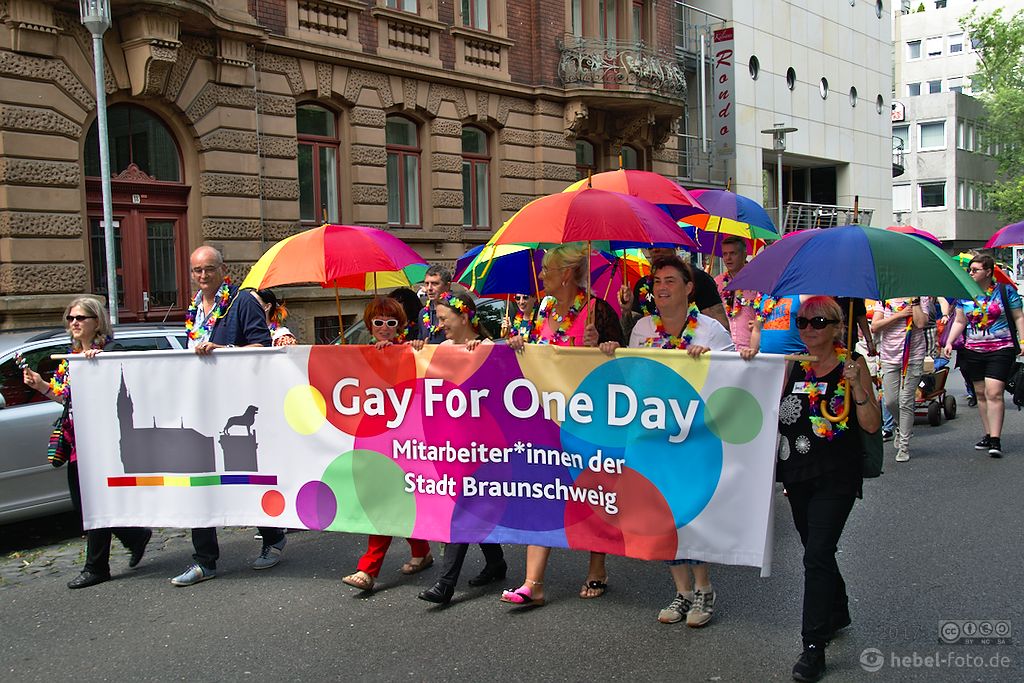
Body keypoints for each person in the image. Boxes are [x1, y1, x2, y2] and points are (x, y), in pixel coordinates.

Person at [600, 254, 747, 628]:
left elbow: (734, 379)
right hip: (652, 437)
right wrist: (607, 351)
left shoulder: (711, 331)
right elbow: (631, 380)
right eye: (656, 282)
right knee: (661, 515)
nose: (661, 288)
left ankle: (704, 588)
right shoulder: (642, 329)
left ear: (688, 288)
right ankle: (681, 591)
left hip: (694, 436)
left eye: (669, 280)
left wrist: (708, 360)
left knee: (688, 512)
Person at [501, 244, 624, 606]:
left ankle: (597, 569)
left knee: (592, 492)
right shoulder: (544, 309)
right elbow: (540, 357)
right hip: (546, 418)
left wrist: (601, 345)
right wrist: (521, 344)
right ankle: (532, 582)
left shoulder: (598, 310)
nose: (542, 278)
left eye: (548, 272)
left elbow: (622, 364)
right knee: (543, 493)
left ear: (567, 273)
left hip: (589, 420)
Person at [777, 296, 880, 682]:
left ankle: (813, 646)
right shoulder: (793, 366)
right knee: (815, 550)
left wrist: (860, 387)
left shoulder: (853, 366)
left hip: (837, 474)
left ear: (838, 326)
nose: (809, 328)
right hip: (797, 473)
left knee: (817, 552)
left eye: (819, 321)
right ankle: (837, 610)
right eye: (803, 321)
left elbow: (870, 425)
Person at [171, 246, 286, 587]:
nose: (202, 276)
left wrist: (225, 351)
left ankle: (272, 535)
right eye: (196, 271)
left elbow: (261, 346)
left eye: (208, 269)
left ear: (223, 269)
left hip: (236, 401)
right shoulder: (195, 307)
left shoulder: (242, 302)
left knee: (244, 476)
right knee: (199, 478)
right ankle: (204, 560)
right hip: (202, 404)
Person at [22, 297, 151, 589]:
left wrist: (100, 364)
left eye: (80, 317)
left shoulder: (110, 351)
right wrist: (41, 385)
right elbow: (65, 397)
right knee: (83, 505)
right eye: (70, 318)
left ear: (97, 321)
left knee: (94, 503)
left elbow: (127, 386)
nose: (74, 323)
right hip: (76, 440)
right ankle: (134, 536)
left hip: (104, 441)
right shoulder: (71, 357)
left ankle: (96, 566)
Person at [414, 293, 506, 604]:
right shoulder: (439, 348)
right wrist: (414, 351)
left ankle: (445, 583)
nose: (438, 325)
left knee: (463, 508)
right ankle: (496, 563)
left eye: (444, 319)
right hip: (454, 446)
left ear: (464, 317)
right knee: (471, 506)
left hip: (485, 448)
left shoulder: (490, 348)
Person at [342, 296, 433, 590]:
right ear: (369, 325)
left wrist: (411, 350)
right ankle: (421, 550)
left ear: (401, 325)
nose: (384, 328)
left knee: (389, 497)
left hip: (407, 435)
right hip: (374, 436)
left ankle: (368, 569)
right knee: (393, 496)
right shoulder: (359, 352)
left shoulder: (410, 349)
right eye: (378, 323)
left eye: (391, 323)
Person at [942, 254, 1024, 458]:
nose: (970, 273)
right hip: (973, 350)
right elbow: (960, 322)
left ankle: (996, 439)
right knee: (980, 394)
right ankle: (988, 434)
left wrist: (1022, 340)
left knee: (994, 392)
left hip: (1001, 349)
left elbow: (1019, 317)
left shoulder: (1005, 292)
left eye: (975, 270)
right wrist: (950, 341)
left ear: (988, 271)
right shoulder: (965, 295)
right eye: (969, 270)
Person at [870, 296, 931, 462]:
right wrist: (900, 315)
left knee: (905, 401)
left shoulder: (920, 297)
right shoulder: (884, 299)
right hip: (890, 357)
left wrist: (916, 303)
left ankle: (904, 445)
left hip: (913, 356)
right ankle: (901, 426)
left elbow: (920, 324)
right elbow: (875, 326)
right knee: (890, 401)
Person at [619, 248, 728, 339]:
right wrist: (626, 311)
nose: (655, 250)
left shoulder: (699, 279)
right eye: (650, 247)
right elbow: (630, 336)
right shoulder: (643, 285)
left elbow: (722, 326)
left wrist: (707, 350)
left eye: (670, 281)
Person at [714, 236, 761, 354]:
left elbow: (767, 311)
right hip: (724, 348)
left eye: (733, 253)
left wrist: (761, 323)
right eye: (725, 254)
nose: (728, 258)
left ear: (744, 254)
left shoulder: (758, 281)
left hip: (750, 350)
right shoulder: (717, 282)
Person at [417, 265, 453, 344]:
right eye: (427, 284)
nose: (429, 288)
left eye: (435, 283)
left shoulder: (457, 309)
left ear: (448, 285)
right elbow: (420, 341)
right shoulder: (423, 313)